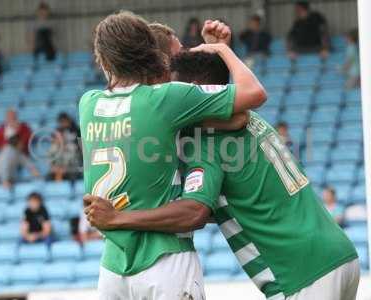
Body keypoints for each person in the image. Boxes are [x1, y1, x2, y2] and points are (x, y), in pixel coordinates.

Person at [84, 49, 360, 300]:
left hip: (300, 274)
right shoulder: (249, 119)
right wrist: (222, 51)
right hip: (339, 255)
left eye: (176, 87)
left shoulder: (207, 140)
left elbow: (194, 212)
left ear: (193, 91)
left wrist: (119, 217)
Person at [80, 11, 266, 300]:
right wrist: (220, 51)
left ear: (103, 61)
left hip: (113, 266)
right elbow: (246, 105)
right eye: (176, 57)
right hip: (165, 261)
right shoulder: (167, 100)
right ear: (155, 60)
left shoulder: (88, 104)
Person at [47, 112, 81, 181]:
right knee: (54, 149)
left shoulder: (76, 130)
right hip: (60, 158)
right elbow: (53, 142)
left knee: (70, 151)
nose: (63, 124)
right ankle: (56, 171)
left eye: (64, 121)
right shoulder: (58, 131)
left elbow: (80, 145)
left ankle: (60, 173)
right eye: (61, 122)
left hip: (73, 160)